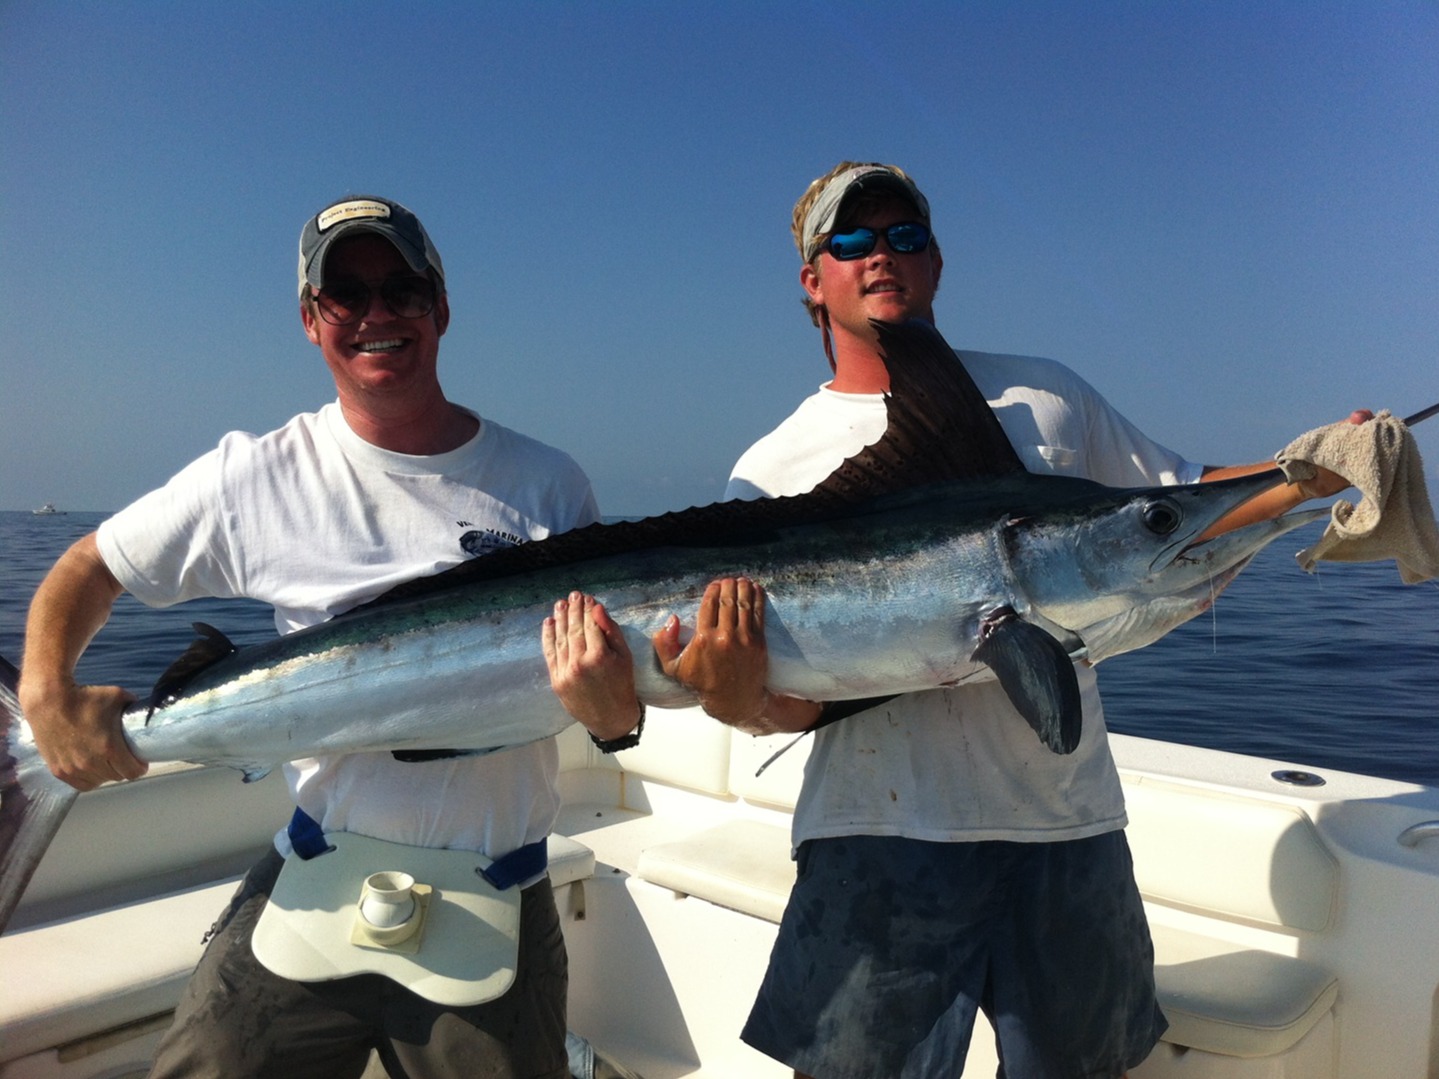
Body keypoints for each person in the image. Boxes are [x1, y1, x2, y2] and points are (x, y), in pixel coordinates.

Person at [649, 162, 1363, 1079]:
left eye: (905, 235)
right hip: (875, 834)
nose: (881, 255)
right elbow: (787, 708)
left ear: (936, 261)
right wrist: (732, 695)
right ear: (812, 280)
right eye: (852, 240)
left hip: (1067, 828)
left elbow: (1179, 499)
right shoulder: (774, 463)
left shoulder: (1046, 397)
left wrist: (1305, 471)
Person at [18, 195, 644, 1079]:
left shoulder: (547, 483)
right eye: (346, 294)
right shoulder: (253, 475)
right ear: (311, 320)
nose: (376, 313)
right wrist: (45, 691)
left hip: (498, 885)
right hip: (316, 867)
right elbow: (90, 564)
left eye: (402, 290)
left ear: (441, 308)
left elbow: (599, 694)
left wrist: (617, 719)